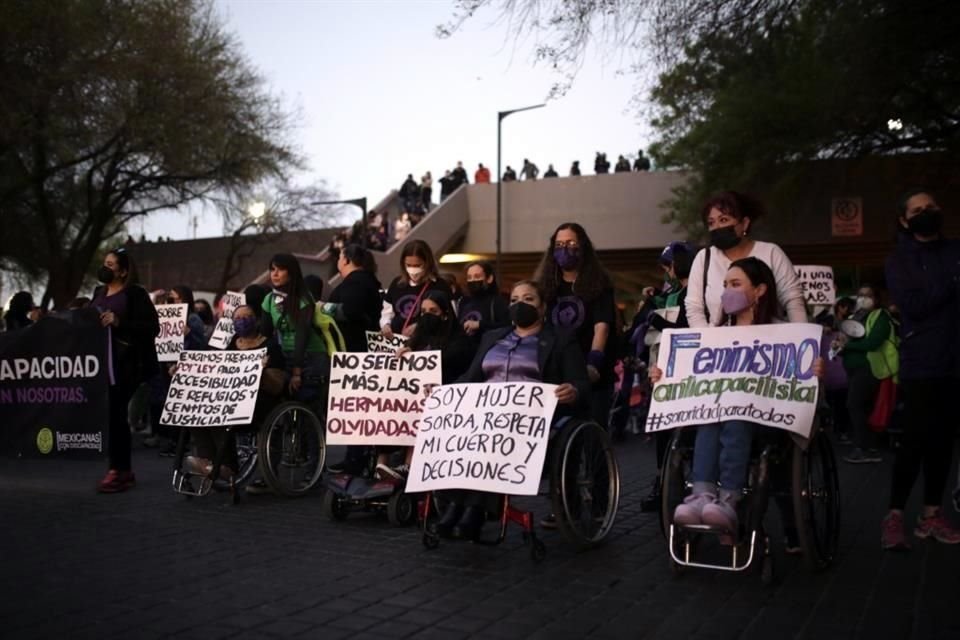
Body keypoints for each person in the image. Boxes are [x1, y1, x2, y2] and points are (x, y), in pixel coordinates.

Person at [651, 258, 824, 538]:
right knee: (711, 416)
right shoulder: (714, 337)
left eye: (735, 284)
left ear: (760, 290)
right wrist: (665, 376)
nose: (726, 292)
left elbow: (800, 384)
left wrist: (814, 372)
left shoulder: (785, 335)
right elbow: (690, 378)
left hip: (767, 422)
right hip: (720, 415)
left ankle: (730, 498)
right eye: (724, 285)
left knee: (734, 416)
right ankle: (702, 496)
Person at [435, 280, 590, 539]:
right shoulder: (492, 337)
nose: (520, 305)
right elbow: (469, 378)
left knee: (490, 441)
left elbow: (581, 382)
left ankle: (472, 509)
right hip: (485, 417)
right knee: (463, 437)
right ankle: (457, 505)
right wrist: (441, 392)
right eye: (515, 300)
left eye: (528, 299)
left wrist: (572, 390)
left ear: (543, 308)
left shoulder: (561, 340)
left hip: (532, 424)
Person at [881, 189, 960, 549]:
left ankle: (932, 514)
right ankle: (895, 514)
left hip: (953, 360)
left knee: (943, 442)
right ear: (904, 220)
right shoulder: (899, 261)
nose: (926, 212)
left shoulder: (954, 251)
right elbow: (915, 305)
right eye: (918, 210)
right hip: (921, 363)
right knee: (914, 441)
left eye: (931, 206)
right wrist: (951, 284)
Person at [379, 290, 476, 480]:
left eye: (433, 311)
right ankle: (381, 465)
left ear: (445, 314)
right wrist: (406, 354)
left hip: (446, 400)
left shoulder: (459, 341)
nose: (427, 316)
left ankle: (409, 465)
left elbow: (451, 363)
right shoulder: (418, 339)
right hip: (415, 396)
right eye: (423, 312)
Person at [535, 222, 617, 439]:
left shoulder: (599, 283)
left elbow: (602, 328)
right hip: (558, 372)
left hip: (593, 371)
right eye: (559, 244)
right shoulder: (544, 287)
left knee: (594, 437)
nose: (565, 249)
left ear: (582, 246)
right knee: (561, 438)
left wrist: (593, 364)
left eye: (571, 243)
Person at [185, 305, 286, 478]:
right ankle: (208, 461)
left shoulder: (270, 346)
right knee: (198, 413)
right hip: (231, 399)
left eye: (247, 316)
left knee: (222, 417)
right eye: (238, 318)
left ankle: (228, 466)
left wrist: (261, 373)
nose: (242, 321)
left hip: (258, 403)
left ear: (257, 320)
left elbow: (277, 386)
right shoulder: (230, 345)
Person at [686, 190, 806, 328]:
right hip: (719, 344)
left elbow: (793, 299)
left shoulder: (771, 253)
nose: (716, 227)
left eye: (723, 220)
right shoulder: (704, 258)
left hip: (771, 341)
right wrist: (707, 341)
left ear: (744, 223)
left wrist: (802, 338)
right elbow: (694, 308)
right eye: (711, 223)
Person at [93, 248, 160, 493]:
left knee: (116, 412)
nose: (106, 267)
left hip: (127, 363)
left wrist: (120, 324)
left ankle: (118, 469)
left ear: (123, 270)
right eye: (105, 263)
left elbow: (152, 328)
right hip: (103, 361)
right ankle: (123, 470)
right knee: (112, 413)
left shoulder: (135, 294)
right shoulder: (98, 292)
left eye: (111, 264)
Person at [635, 243, 693, 509]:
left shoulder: (695, 292)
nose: (666, 271)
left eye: (668, 266)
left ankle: (675, 485)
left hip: (687, 370)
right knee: (662, 429)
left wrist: (655, 321)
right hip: (664, 369)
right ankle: (664, 483)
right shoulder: (675, 291)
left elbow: (686, 328)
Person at [325, 244, 383, 475]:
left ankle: (356, 459)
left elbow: (350, 311)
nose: (338, 261)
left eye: (340, 257)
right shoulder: (366, 281)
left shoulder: (357, 282)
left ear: (347, 260)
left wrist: (324, 308)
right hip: (358, 353)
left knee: (358, 408)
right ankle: (355, 456)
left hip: (355, 354)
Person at [835, 285, 898, 464]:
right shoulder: (856, 317)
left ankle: (862, 447)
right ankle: (870, 446)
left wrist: (846, 346)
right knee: (864, 406)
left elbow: (873, 343)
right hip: (855, 369)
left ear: (876, 298)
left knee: (854, 404)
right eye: (860, 295)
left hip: (869, 368)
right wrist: (838, 347)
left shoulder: (881, 317)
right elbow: (847, 342)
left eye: (868, 295)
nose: (863, 298)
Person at [261, 253, 328, 403]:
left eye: (280, 270)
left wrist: (296, 372)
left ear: (291, 273)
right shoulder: (269, 299)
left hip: (311, 356)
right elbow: (265, 335)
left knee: (307, 402)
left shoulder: (304, 298)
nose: (275, 274)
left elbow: (302, 335)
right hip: (286, 354)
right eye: (272, 270)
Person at [380, 239, 449, 338]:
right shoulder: (397, 284)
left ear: (427, 263)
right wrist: (386, 325)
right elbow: (386, 312)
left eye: (417, 265)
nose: (413, 269)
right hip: (397, 342)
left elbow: (448, 318)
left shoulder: (440, 286)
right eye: (408, 265)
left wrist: (420, 327)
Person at [457, 260, 510, 347]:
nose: (472, 280)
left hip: (489, 353)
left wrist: (480, 324)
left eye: (477, 276)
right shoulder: (464, 302)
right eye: (469, 277)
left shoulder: (497, 301)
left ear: (489, 279)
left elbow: (507, 326)